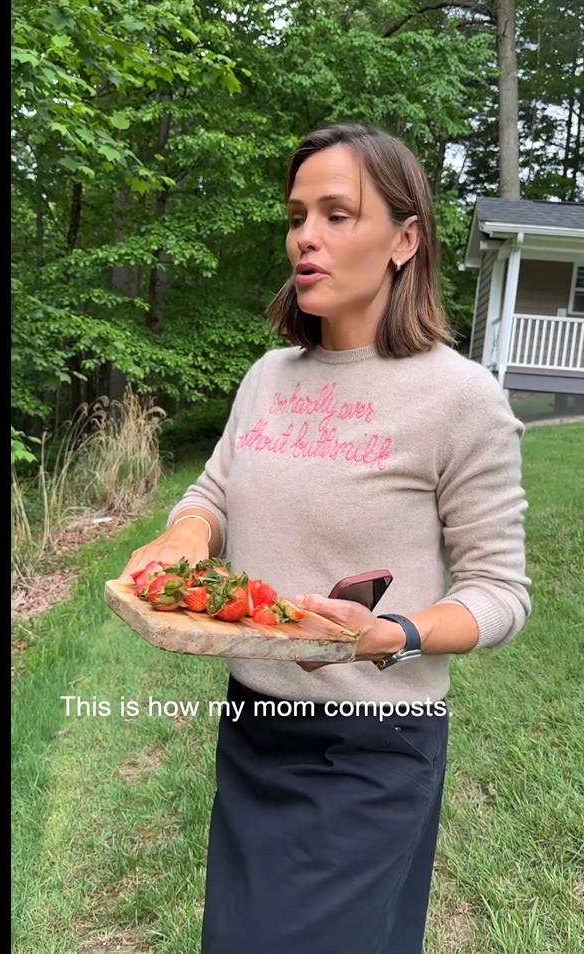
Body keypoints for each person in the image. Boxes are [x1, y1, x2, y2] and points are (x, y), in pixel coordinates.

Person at [120, 122, 531, 954]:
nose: (305, 236)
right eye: (298, 214)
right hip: (254, 726)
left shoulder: (460, 399)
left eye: (337, 214)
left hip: (372, 748)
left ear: (404, 238)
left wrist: (398, 634)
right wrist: (184, 541)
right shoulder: (267, 378)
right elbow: (212, 494)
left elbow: (499, 591)